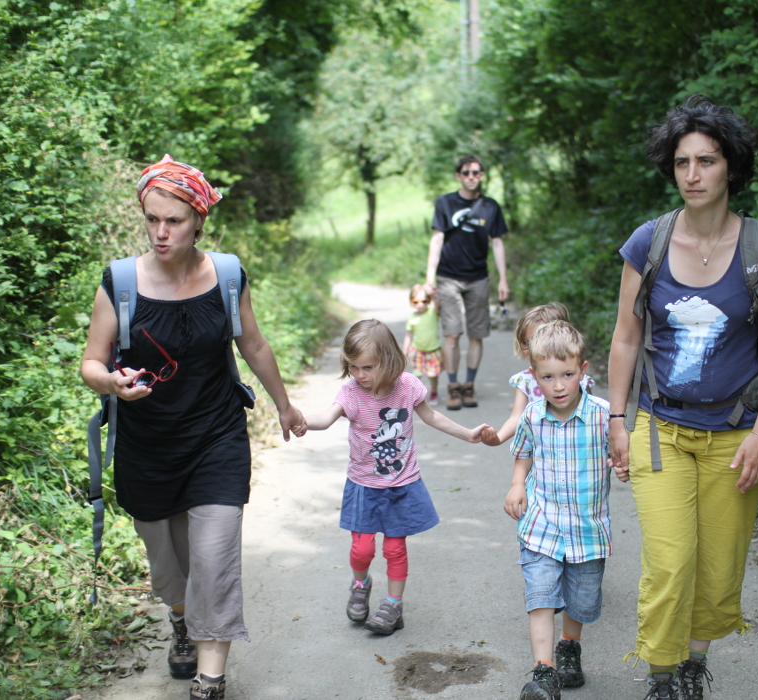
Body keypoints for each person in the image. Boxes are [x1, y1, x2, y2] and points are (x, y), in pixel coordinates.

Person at [80, 154, 308, 700]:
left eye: (174, 221)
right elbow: (91, 363)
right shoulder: (120, 282)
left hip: (216, 438)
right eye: (152, 220)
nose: (161, 232)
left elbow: (253, 343)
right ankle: (181, 618)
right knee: (169, 570)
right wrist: (112, 383)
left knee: (214, 560)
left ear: (199, 221)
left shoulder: (226, 276)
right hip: (146, 448)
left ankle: (211, 680)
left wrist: (284, 404)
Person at [607, 95, 758, 700]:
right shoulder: (649, 242)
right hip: (659, 428)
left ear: (731, 167)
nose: (692, 174)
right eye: (682, 162)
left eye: (706, 160)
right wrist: (617, 418)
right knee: (670, 561)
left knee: (717, 566)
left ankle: (693, 664)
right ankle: (661, 676)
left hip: (736, 434)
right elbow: (626, 336)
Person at [303, 319, 489, 635]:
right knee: (362, 550)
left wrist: (467, 433)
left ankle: (393, 604)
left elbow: (432, 416)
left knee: (394, 549)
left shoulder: (407, 386)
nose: (360, 375)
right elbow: (326, 417)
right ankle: (360, 583)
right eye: (353, 367)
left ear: (388, 360)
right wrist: (302, 420)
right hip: (364, 485)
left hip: (401, 485)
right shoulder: (351, 392)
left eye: (367, 367)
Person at [503, 321, 629, 700]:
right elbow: (523, 453)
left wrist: (622, 465)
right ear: (534, 377)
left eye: (567, 375)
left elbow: (619, 454)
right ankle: (544, 672)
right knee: (540, 596)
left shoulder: (603, 415)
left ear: (583, 370)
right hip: (541, 526)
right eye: (548, 377)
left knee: (581, 601)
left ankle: (569, 646)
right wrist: (517, 484)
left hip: (587, 532)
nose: (558, 386)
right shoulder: (532, 416)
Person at [425, 155, 510, 411]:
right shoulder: (445, 202)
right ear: (458, 176)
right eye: (466, 172)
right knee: (452, 334)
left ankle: (469, 385)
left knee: (476, 334)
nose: (471, 177)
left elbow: (497, 242)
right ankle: (453, 386)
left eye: (476, 172)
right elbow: (437, 239)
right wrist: (429, 277)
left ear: (481, 175)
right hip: (448, 277)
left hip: (478, 278)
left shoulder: (490, 206)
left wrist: (503, 279)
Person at [480, 302, 595, 447]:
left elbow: (593, 413)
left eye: (536, 341)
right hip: (541, 450)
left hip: (577, 447)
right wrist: (497, 438)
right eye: (525, 342)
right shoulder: (525, 381)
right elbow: (517, 417)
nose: (529, 348)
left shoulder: (577, 378)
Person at [401, 283, 443, 406]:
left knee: (433, 376)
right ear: (411, 302)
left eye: (424, 301)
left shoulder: (432, 312)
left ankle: (434, 392)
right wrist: (405, 350)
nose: (420, 305)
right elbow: (409, 335)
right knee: (417, 375)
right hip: (417, 350)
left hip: (433, 350)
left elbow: (437, 304)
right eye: (416, 302)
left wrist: (433, 295)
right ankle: (417, 396)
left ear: (428, 300)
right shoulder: (412, 318)